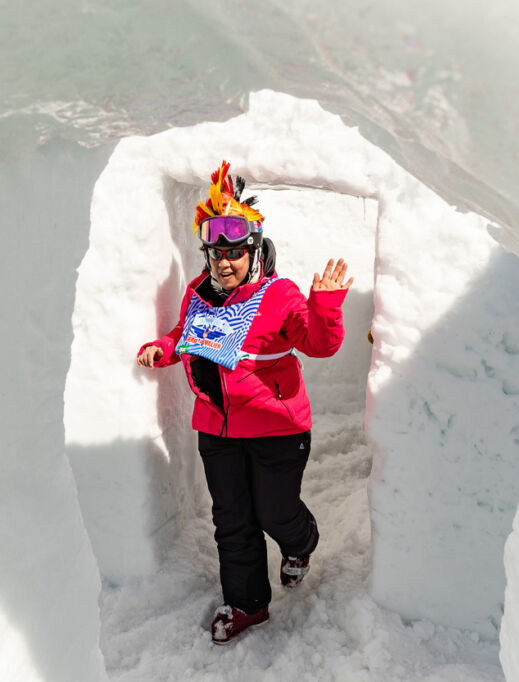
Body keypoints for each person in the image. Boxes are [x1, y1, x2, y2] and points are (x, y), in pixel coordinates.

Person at [136, 161, 353, 645]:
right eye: (216, 254)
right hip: (216, 430)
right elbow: (186, 335)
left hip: (278, 428)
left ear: (255, 251)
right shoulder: (199, 293)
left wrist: (325, 306)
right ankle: (247, 604)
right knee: (232, 520)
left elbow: (319, 343)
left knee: (275, 513)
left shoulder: (280, 295)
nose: (224, 263)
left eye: (234, 253)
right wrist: (166, 349)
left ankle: (301, 544)